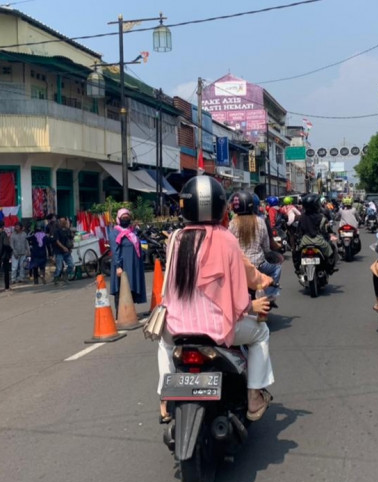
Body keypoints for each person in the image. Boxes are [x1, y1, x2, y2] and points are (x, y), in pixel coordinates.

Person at [156, 176, 274, 423]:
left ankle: (166, 397)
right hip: (217, 329)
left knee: (164, 345)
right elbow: (240, 288)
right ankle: (254, 396)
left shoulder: (175, 239)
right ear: (221, 207)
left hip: (176, 327)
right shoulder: (225, 238)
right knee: (261, 334)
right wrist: (252, 302)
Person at [229, 190, 281, 297]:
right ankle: (269, 295)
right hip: (259, 265)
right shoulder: (260, 221)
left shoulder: (231, 223)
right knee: (277, 268)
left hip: (238, 266)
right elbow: (266, 248)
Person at [109, 208, 147, 313]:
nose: (126, 220)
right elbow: (115, 251)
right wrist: (118, 266)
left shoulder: (132, 231)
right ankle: (120, 314)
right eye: (123, 218)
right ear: (118, 219)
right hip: (123, 266)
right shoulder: (115, 233)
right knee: (121, 289)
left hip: (133, 265)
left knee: (131, 288)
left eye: (127, 218)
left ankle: (129, 312)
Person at [294, 193, 337, 274]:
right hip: (319, 242)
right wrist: (330, 234)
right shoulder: (322, 217)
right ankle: (330, 269)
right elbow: (326, 231)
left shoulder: (301, 217)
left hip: (304, 242)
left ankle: (298, 269)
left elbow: (298, 232)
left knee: (296, 253)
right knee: (332, 250)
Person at [52, 216, 75, 284]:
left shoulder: (68, 230)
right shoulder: (56, 231)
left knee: (71, 265)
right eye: (60, 221)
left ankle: (65, 275)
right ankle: (56, 279)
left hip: (67, 252)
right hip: (59, 251)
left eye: (63, 221)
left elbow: (71, 239)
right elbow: (57, 241)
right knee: (59, 267)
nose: (62, 222)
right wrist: (63, 247)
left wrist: (70, 247)